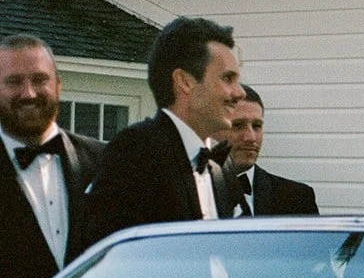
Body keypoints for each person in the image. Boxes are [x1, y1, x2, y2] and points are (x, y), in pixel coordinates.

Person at [86, 16, 246, 245]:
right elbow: (112, 254)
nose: (239, 93)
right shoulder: (136, 151)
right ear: (184, 81)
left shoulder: (220, 164)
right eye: (228, 78)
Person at [0, 35, 102, 278]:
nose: (29, 93)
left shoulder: (104, 162)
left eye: (39, 79)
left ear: (58, 85)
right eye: (13, 82)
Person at [220, 85, 319, 216]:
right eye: (237, 125)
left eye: (257, 126)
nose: (251, 137)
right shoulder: (192, 192)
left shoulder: (297, 198)